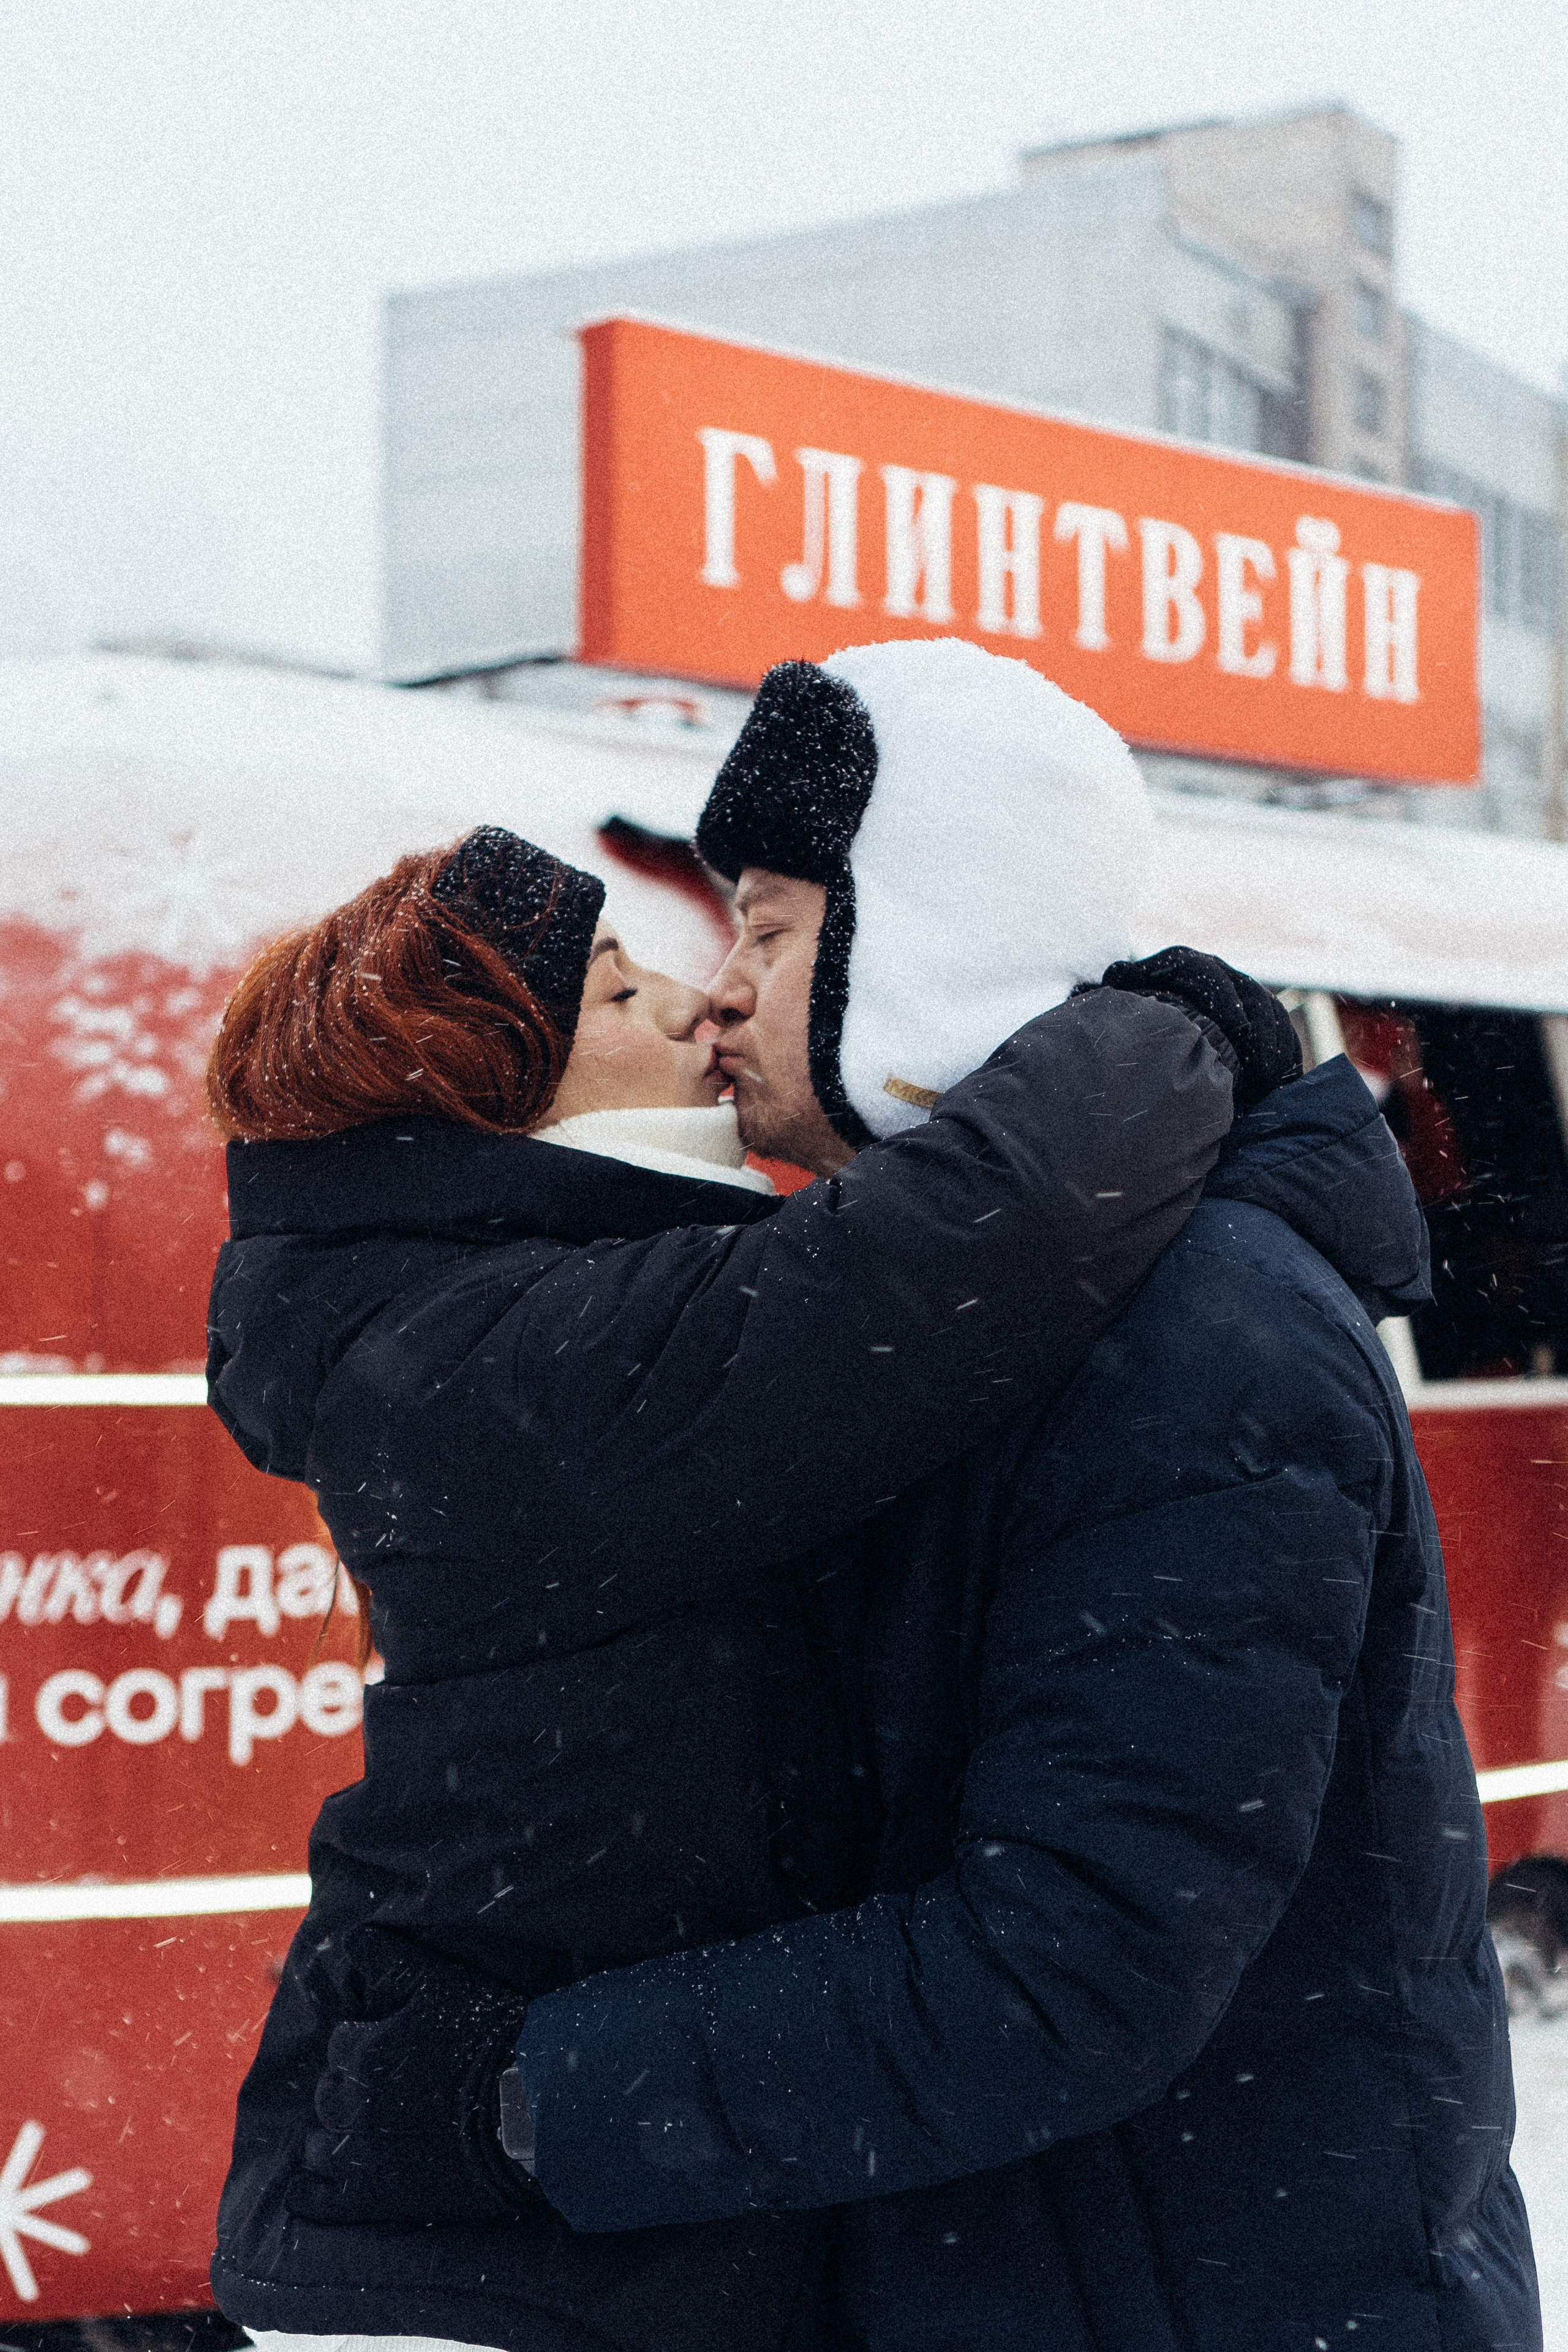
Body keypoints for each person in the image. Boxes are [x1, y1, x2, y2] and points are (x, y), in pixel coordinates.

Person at [296, 641, 1540, 2352]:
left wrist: (530, 2094)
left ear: (928, 948)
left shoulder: (1196, 1334)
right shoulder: (966, 1321)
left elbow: (1074, 1960)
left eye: (774, 929)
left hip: (1201, 2294)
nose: (718, 991)